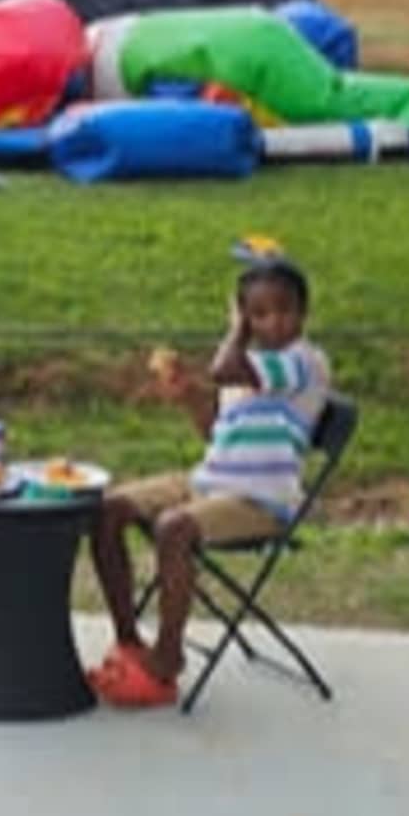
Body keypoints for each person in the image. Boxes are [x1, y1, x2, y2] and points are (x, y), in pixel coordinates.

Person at [88, 250, 334, 710]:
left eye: (284, 311)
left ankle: (167, 660)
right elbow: (213, 430)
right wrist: (188, 396)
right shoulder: (252, 366)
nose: (273, 323)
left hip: (260, 501)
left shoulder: (304, 361)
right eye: (260, 314)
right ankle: (128, 641)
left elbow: (223, 368)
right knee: (107, 508)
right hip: (211, 481)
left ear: (304, 314)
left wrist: (236, 328)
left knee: (173, 528)